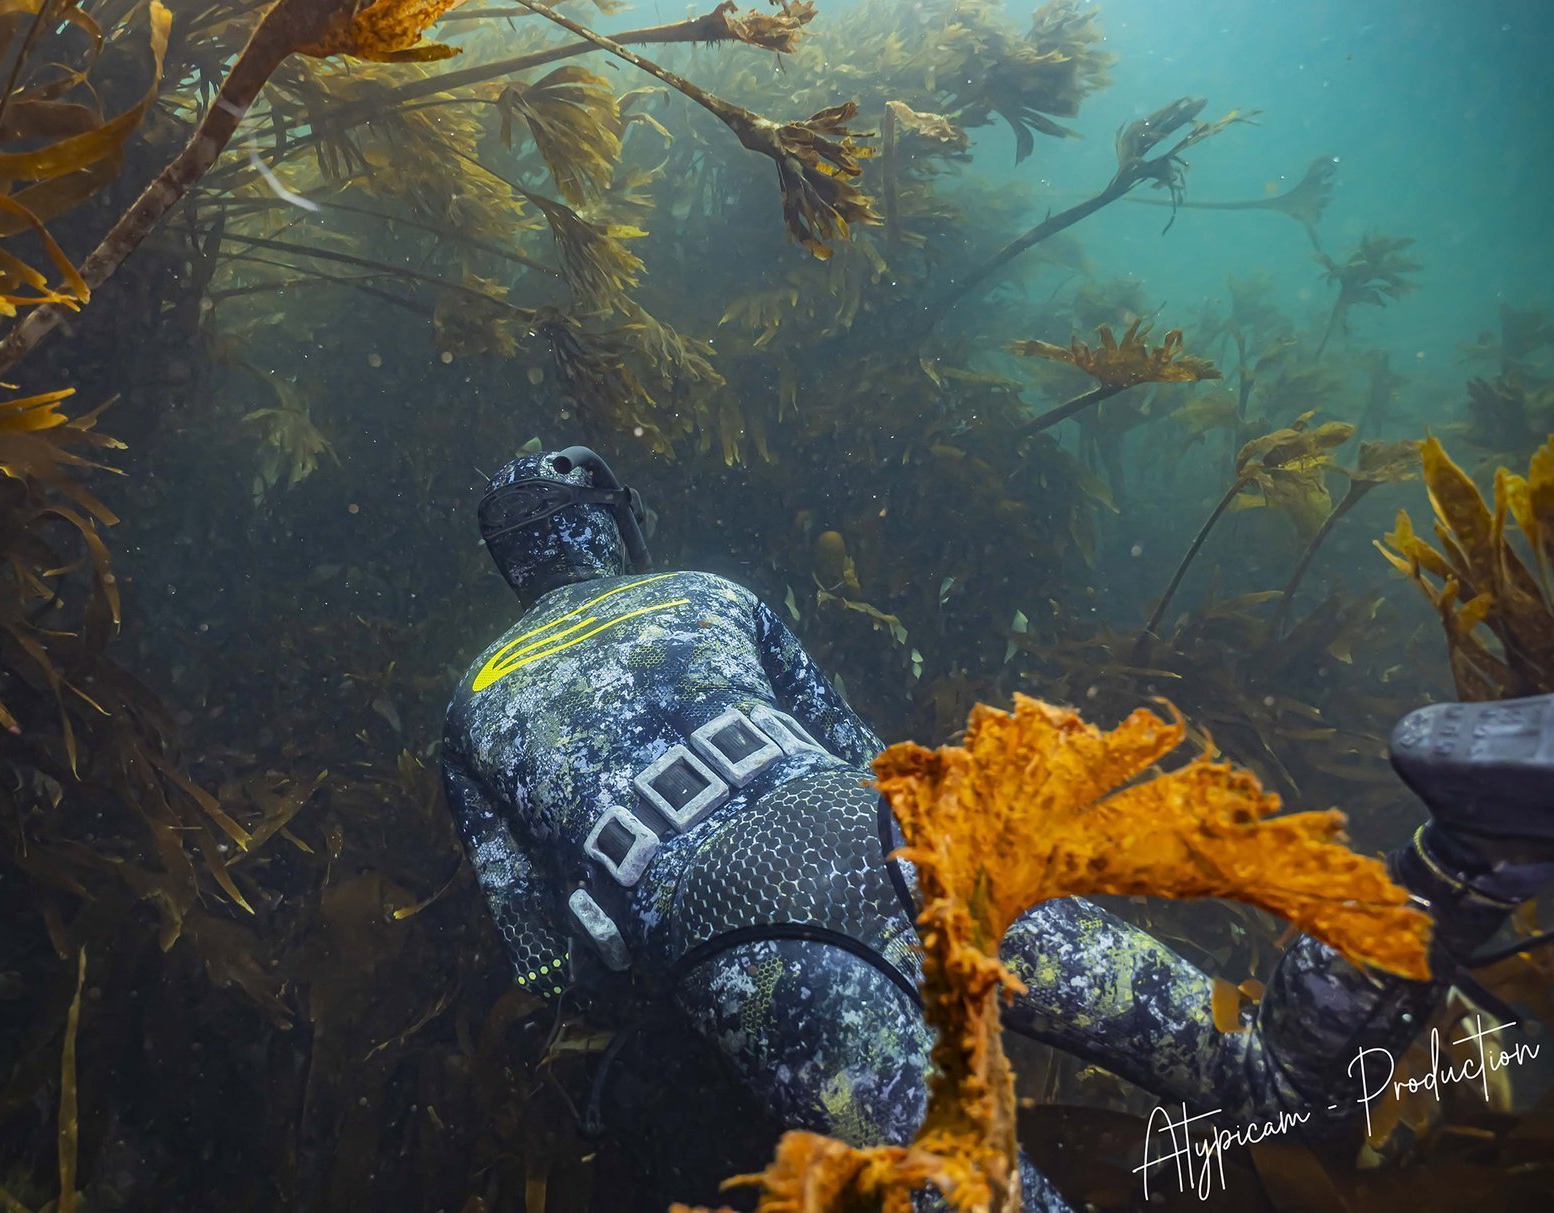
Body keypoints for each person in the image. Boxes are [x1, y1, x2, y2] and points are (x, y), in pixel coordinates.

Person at [440, 446, 1554, 1211]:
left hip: (760, 957)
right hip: (915, 845)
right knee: (1262, 1070)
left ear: (509, 560)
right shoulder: (706, 592)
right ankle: (1463, 850)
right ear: (610, 524)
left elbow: (554, 964)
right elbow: (864, 745)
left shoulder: (476, 705)